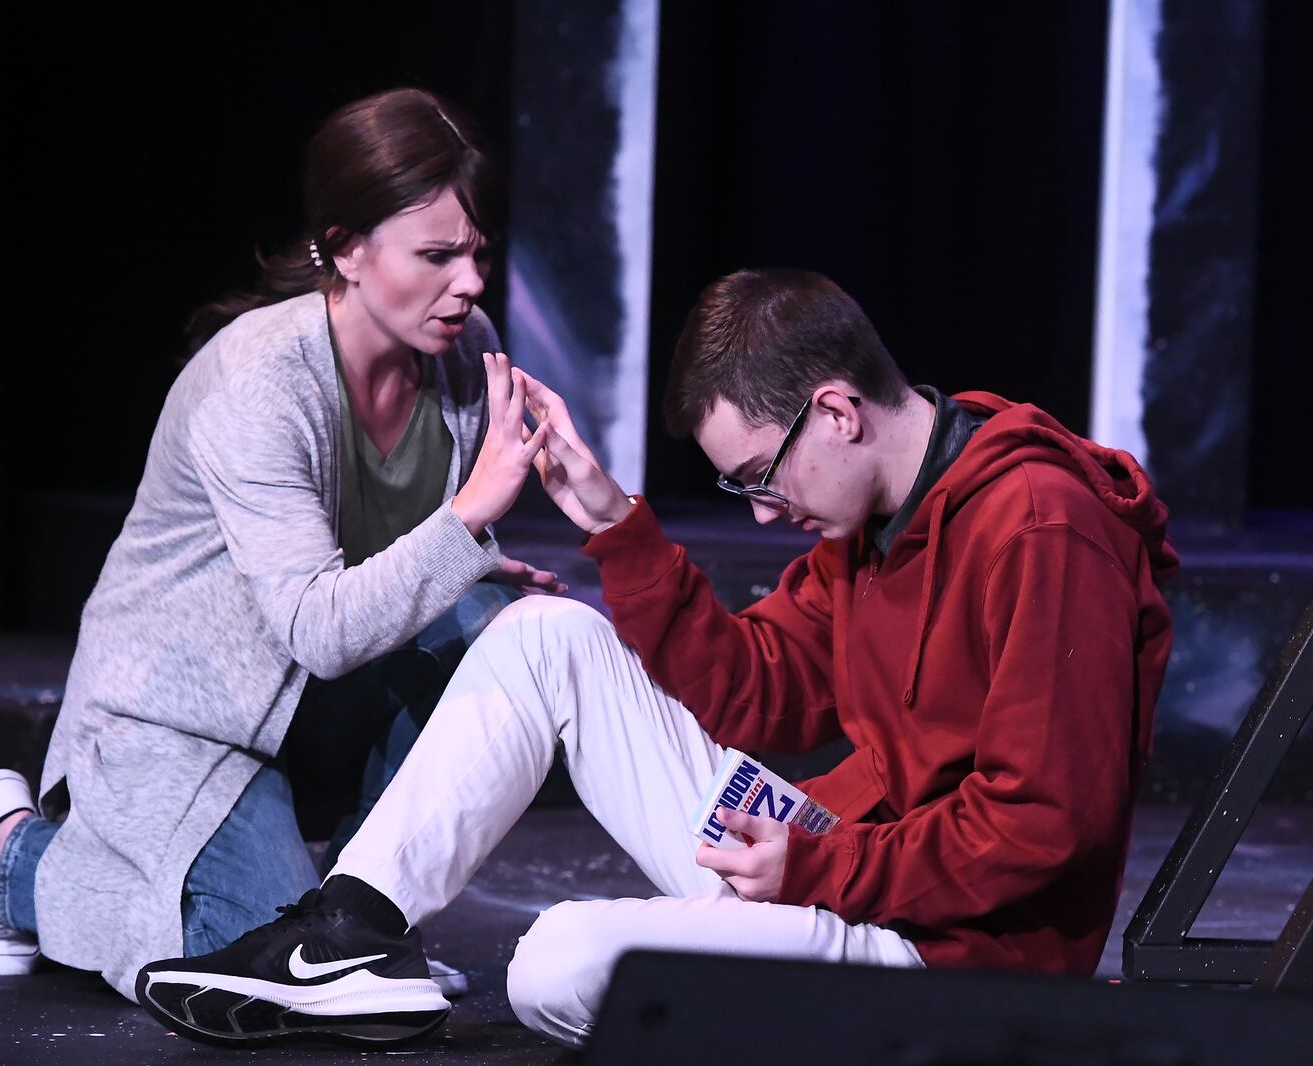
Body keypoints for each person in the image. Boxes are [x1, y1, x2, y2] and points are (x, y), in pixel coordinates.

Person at [133, 268, 1178, 1048]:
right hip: (851, 872)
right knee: (544, 636)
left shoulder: (1040, 526)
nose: (765, 512)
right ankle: (346, 933)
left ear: (836, 410)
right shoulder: (869, 525)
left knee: (559, 962)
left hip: (958, 957)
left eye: (759, 478)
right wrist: (608, 517)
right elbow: (756, 693)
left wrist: (819, 867)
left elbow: (1043, 825)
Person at [0, 88, 561, 1002]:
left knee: (489, 620)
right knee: (241, 949)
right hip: (186, 717)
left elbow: (416, 570)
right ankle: (8, 855)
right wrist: (466, 524)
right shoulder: (259, 376)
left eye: (478, 253)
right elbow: (318, 625)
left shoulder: (468, 354)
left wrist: (480, 563)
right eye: (436, 255)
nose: (469, 283)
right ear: (346, 248)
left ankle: (365, 916)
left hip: (315, 704)